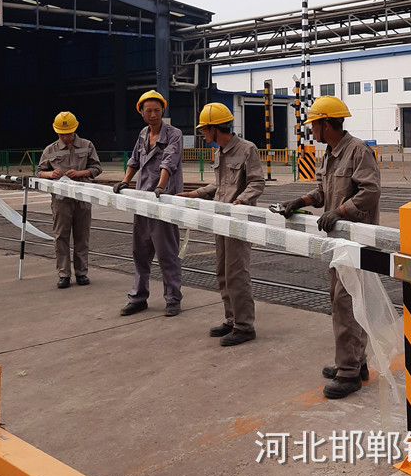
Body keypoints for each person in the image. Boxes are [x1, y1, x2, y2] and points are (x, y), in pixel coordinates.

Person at [279, 96, 381, 399]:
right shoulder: (331, 153)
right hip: (337, 241)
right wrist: (301, 201)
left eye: (314, 125)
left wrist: (342, 211)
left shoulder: (358, 151)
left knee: (344, 301)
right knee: (346, 300)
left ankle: (348, 372)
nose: (312, 130)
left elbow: (371, 191)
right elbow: (324, 192)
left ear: (326, 124)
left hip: (355, 241)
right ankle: (356, 361)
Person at [179, 102, 265, 346]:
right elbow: (219, 185)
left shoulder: (247, 149)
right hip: (220, 219)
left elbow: (257, 183)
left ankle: (245, 326)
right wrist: (196, 194)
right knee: (223, 272)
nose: (202, 135)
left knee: (237, 274)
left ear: (215, 128)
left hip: (238, 220)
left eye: (204, 130)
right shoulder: (219, 152)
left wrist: (241, 201)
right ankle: (232, 319)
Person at [114, 90, 184, 317]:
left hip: (162, 203)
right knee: (140, 252)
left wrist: (161, 186)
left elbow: (169, 160)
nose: (153, 114)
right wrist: (125, 181)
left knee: (167, 253)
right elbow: (134, 160)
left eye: (156, 110)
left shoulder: (174, 134)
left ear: (163, 110)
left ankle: (173, 299)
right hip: (142, 202)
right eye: (148, 110)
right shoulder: (143, 134)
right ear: (141, 113)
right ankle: (138, 297)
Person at [37, 111, 102, 289]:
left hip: (82, 197)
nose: (65, 137)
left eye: (69, 133)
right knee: (61, 236)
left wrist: (81, 173)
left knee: (82, 235)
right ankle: (64, 274)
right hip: (61, 200)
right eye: (62, 134)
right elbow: (39, 172)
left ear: (75, 129)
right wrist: (50, 174)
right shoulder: (50, 150)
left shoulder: (87, 145)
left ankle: (82, 273)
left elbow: (97, 168)